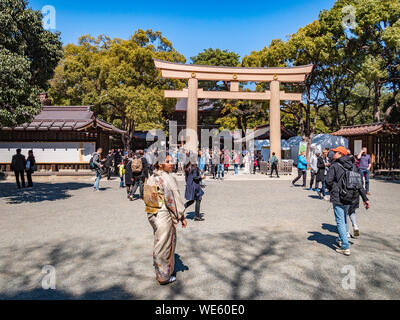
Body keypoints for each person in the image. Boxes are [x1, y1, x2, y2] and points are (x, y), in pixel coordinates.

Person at [144, 153, 187, 285]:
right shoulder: (167, 178)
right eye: (168, 161)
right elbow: (174, 198)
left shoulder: (152, 177)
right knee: (164, 244)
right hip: (164, 213)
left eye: (172, 161)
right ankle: (163, 276)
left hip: (153, 212)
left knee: (159, 241)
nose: (171, 163)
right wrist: (181, 215)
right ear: (160, 164)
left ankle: (161, 271)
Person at [326, 146, 370, 256]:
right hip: (350, 197)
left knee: (340, 221)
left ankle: (345, 246)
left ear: (341, 154)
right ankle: (341, 238)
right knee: (344, 218)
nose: (334, 154)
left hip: (338, 197)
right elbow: (359, 184)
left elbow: (328, 181)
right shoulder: (353, 166)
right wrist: (365, 199)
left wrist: (333, 190)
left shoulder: (335, 165)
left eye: (336, 152)